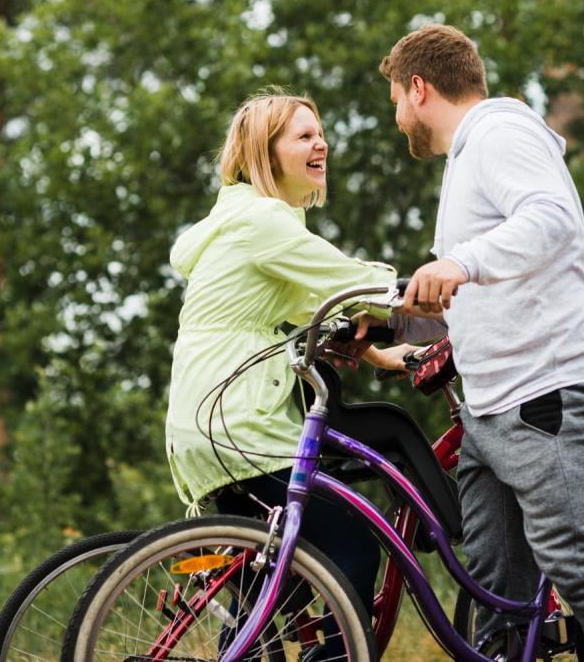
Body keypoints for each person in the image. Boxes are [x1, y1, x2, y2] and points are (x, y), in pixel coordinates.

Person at [368, 25, 584, 660]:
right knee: (495, 593)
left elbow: (550, 219)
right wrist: (385, 324)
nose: (396, 117)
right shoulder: (466, 160)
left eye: (394, 99)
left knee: (577, 567)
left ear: (418, 89)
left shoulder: (501, 133)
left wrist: (461, 262)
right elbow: (470, 293)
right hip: (494, 412)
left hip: (547, 396)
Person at [164, 88, 409, 641]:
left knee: (273, 590)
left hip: (205, 423)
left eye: (320, 133)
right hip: (237, 423)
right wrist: (437, 287)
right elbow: (352, 281)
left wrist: (376, 353)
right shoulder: (264, 222)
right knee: (349, 545)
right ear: (265, 153)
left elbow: (310, 308)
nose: (321, 142)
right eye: (303, 135)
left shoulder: (244, 223)